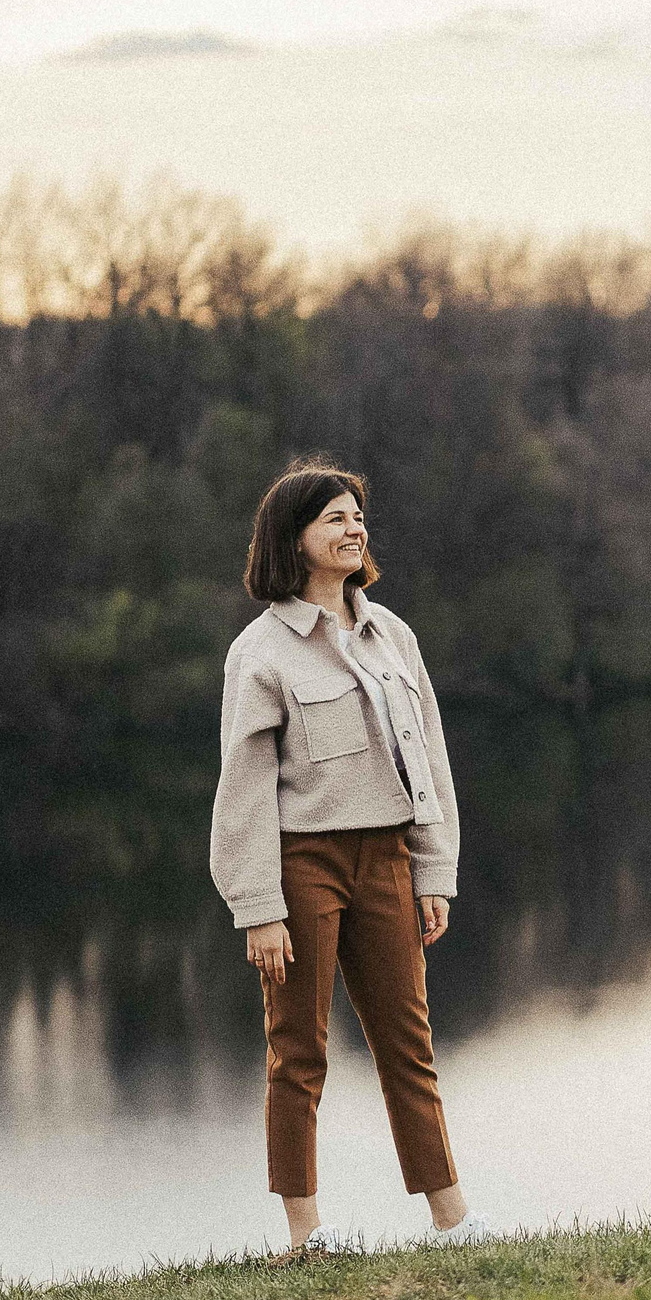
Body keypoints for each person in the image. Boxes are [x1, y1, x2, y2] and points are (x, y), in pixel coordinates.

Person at [210, 459, 494, 1253]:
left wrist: (432, 870)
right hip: (303, 864)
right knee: (298, 1050)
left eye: (357, 516)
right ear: (293, 538)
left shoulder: (393, 636)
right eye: (335, 517)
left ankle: (452, 1218)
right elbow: (243, 789)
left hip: (388, 858)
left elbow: (428, 760)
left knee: (410, 1045)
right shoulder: (260, 653)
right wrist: (259, 908)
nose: (354, 528)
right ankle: (305, 1232)